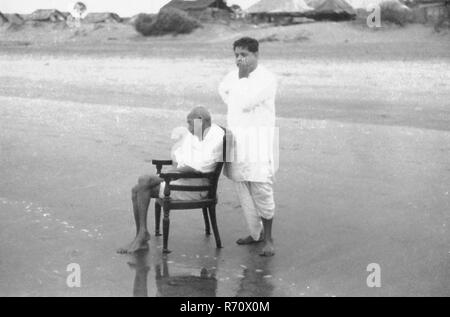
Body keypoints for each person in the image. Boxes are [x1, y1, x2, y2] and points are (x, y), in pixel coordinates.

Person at [117, 107, 224, 254]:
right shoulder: (201, 133)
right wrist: (176, 169)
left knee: (143, 182)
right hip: (183, 181)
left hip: (194, 189)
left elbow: (200, 166)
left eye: (190, 124)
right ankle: (141, 234)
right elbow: (181, 156)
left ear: (200, 122)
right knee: (137, 189)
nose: (189, 129)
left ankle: (141, 235)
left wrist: (175, 172)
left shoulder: (215, 138)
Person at [219, 37, 278, 257]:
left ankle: (269, 238)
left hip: (259, 141)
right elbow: (223, 90)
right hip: (237, 138)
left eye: (244, 55)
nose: (239, 59)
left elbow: (246, 103)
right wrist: (236, 96)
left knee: (261, 187)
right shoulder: (232, 76)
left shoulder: (267, 78)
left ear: (256, 55)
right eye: (236, 55)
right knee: (241, 186)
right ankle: (256, 234)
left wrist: (242, 81)